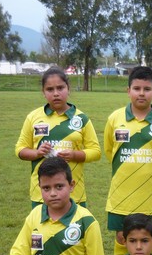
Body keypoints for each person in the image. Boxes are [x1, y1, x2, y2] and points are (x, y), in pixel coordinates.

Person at [104, 66, 152, 255]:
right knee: (121, 240)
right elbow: (110, 151)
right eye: (136, 88)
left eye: (147, 89)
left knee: (146, 242)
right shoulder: (115, 118)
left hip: (150, 198)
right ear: (128, 91)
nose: (141, 93)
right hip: (122, 197)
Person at [15, 66, 101, 208]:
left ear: (68, 88)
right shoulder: (33, 117)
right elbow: (20, 149)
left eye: (60, 88)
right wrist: (37, 153)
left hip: (75, 195)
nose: (56, 93)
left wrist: (74, 155)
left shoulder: (81, 118)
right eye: (50, 89)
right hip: (42, 195)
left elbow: (96, 152)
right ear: (43, 92)